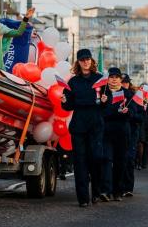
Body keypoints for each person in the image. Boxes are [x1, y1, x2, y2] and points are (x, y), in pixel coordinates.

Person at [60, 49, 107, 207]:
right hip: (79, 125)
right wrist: (64, 100)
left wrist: (106, 100)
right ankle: (83, 198)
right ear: (78, 62)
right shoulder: (73, 82)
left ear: (92, 61)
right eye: (82, 60)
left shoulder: (100, 79)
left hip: (96, 124)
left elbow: (107, 104)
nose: (85, 62)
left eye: (88, 59)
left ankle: (96, 192)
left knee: (96, 159)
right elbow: (68, 106)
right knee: (80, 162)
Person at [101, 68, 133, 201]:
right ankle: (105, 191)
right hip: (106, 132)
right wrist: (101, 104)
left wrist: (128, 112)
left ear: (121, 79)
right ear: (108, 78)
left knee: (120, 162)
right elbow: (99, 112)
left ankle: (117, 191)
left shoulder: (128, 94)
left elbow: (136, 114)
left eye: (116, 77)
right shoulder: (103, 92)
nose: (114, 79)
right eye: (111, 76)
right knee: (106, 161)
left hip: (122, 132)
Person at [120, 74, 143, 197]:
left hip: (132, 132)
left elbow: (141, 116)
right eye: (122, 82)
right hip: (118, 132)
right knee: (119, 160)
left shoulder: (135, 97)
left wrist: (131, 114)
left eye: (126, 82)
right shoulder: (114, 95)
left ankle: (128, 187)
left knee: (129, 159)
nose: (124, 84)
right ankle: (119, 186)